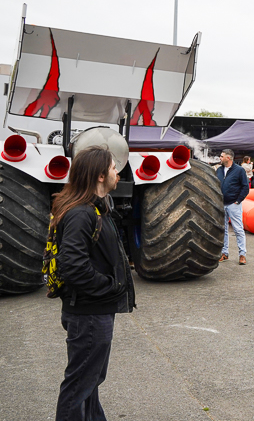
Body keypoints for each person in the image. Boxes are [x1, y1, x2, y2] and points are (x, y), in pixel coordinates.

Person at [52, 145, 135, 420]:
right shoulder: (81, 214)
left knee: (90, 381)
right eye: (113, 168)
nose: (117, 172)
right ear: (100, 175)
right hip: (88, 313)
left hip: (95, 311)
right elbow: (72, 267)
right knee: (79, 386)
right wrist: (110, 287)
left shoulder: (97, 209)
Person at [217, 149, 250, 265]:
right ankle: (224, 253)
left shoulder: (239, 170)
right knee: (223, 230)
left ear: (228, 158)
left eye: (221, 156)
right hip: (222, 204)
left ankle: (242, 254)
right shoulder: (219, 170)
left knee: (238, 229)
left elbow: (245, 187)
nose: (219, 158)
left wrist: (238, 200)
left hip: (233, 204)